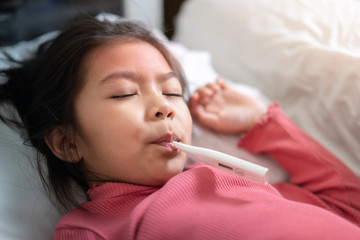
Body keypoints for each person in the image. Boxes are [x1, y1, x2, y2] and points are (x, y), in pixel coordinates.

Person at [0, 15, 359, 240]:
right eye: (124, 94)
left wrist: (264, 122)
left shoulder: (244, 184)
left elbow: (348, 204)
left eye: (172, 92)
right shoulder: (95, 228)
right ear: (66, 142)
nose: (164, 108)